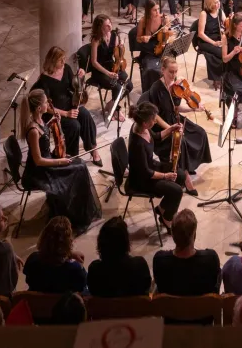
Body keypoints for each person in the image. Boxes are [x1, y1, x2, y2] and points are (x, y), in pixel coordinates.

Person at [19, 88, 101, 235]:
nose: (49, 105)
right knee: (79, 169)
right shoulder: (33, 130)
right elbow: (38, 161)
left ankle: (76, 210)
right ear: (39, 108)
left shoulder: (40, 121)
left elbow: (44, 133)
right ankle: (73, 214)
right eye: (46, 103)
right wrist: (61, 161)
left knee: (79, 164)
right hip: (38, 171)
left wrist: (54, 122)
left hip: (48, 161)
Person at [148, 56, 211, 190]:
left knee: (200, 133)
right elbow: (155, 116)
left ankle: (189, 165)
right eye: (171, 72)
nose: (174, 75)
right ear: (163, 70)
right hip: (163, 125)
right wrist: (170, 128)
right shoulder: (156, 88)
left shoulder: (176, 86)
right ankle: (186, 178)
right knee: (181, 141)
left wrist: (193, 108)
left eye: (176, 71)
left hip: (175, 119)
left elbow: (176, 108)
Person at [32, 45, 101, 164]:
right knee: (74, 126)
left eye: (64, 58)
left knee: (85, 116)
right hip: (55, 112)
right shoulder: (44, 80)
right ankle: (71, 157)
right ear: (53, 61)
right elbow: (46, 106)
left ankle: (93, 148)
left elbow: (73, 87)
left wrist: (80, 77)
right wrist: (66, 113)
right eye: (60, 60)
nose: (64, 61)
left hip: (69, 105)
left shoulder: (66, 68)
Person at [127, 100, 186, 231]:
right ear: (145, 123)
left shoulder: (143, 128)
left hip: (150, 167)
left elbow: (157, 137)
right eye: (153, 120)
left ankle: (162, 208)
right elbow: (146, 172)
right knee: (177, 190)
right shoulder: (138, 144)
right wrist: (166, 176)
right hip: (142, 180)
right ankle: (166, 219)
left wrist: (171, 129)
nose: (155, 121)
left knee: (180, 175)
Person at [153, 208, 221, 321]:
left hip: (171, 323)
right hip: (203, 324)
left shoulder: (159, 260)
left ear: (173, 236)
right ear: (194, 235)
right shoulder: (211, 259)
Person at [76, 15, 132, 114]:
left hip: (111, 66)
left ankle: (111, 105)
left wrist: (121, 45)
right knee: (118, 86)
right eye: (107, 25)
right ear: (100, 27)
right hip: (99, 71)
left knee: (129, 84)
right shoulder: (96, 40)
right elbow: (94, 62)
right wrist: (108, 73)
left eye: (110, 23)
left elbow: (116, 53)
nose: (110, 27)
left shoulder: (113, 35)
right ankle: (114, 110)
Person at [87, 217, 151, 297]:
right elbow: (146, 289)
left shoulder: (94, 270)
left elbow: (93, 292)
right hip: (135, 309)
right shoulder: (140, 265)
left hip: (105, 309)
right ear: (125, 241)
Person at [23, 216, 87, 293]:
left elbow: (29, 280)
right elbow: (81, 286)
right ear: (68, 242)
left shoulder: (33, 259)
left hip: (37, 303)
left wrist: (69, 254)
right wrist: (81, 266)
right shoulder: (75, 269)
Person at [136, 0, 176, 92]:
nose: (157, 12)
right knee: (151, 70)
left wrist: (168, 32)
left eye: (158, 9)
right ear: (148, 11)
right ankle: (150, 93)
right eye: (154, 10)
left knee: (170, 67)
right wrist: (143, 38)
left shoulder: (164, 19)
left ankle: (167, 91)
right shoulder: (143, 21)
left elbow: (172, 35)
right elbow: (138, 38)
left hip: (162, 50)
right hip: (148, 52)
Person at [194, 0, 225, 89]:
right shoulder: (204, 14)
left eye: (219, 1)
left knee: (228, 49)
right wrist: (214, 43)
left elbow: (227, 24)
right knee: (221, 53)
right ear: (210, 3)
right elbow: (200, 34)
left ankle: (222, 76)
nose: (218, 4)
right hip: (205, 41)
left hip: (217, 39)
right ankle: (218, 77)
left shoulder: (220, 11)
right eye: (216, 2)